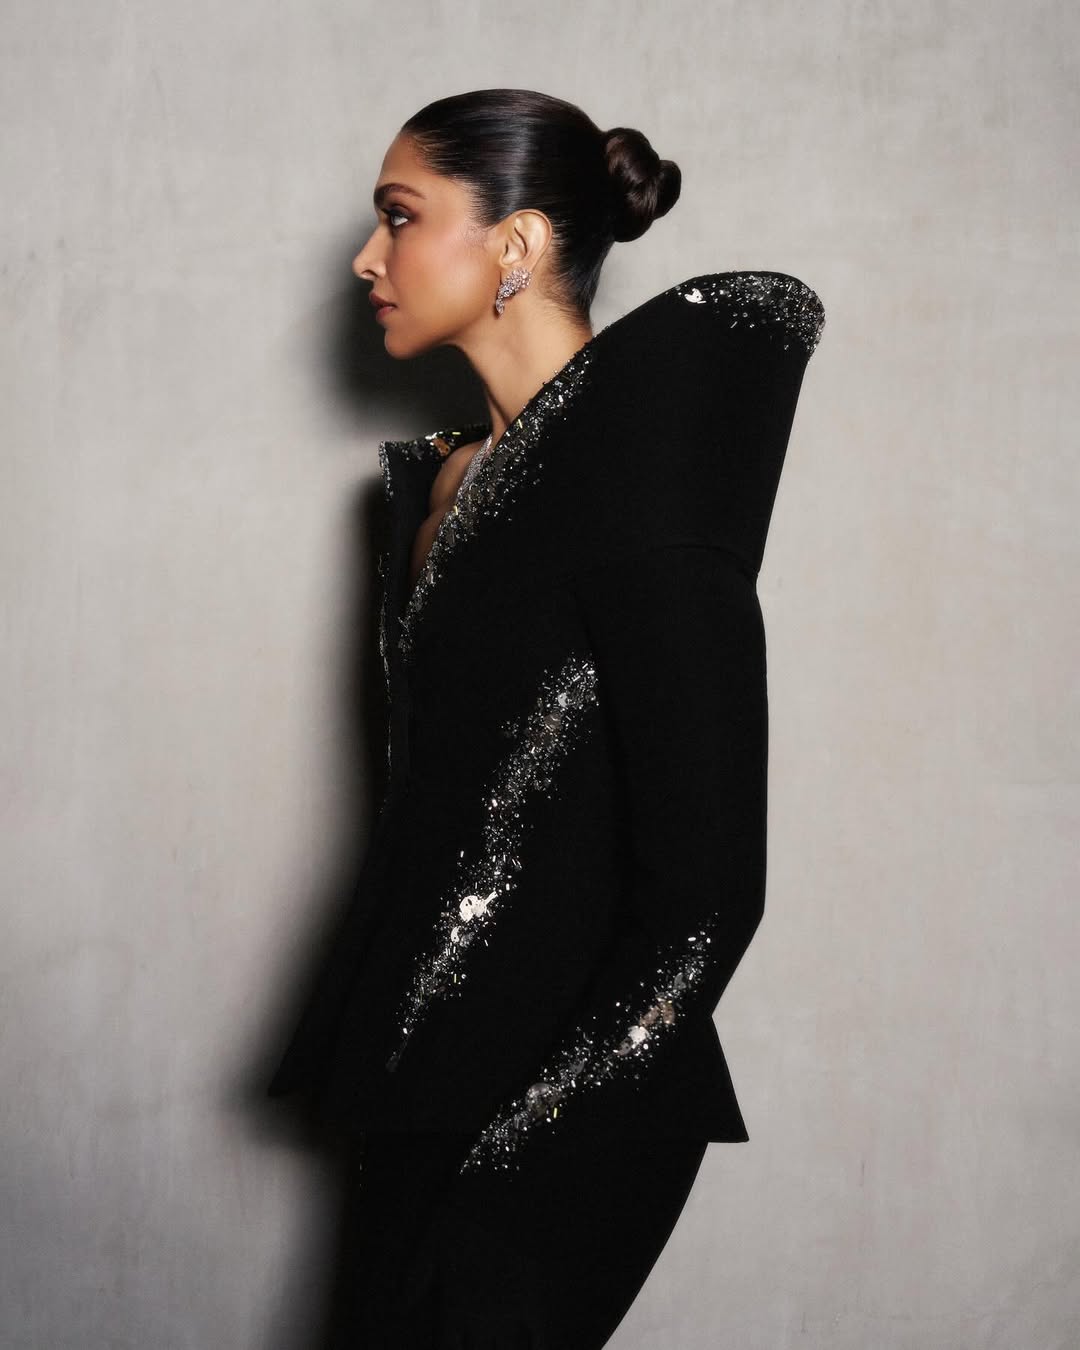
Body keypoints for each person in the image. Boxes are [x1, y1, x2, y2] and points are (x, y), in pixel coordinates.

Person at [266, 87, 826, 1349]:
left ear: (514, 244)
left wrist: (535, 1137)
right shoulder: (438, 488)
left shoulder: (645, 471)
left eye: (400, 216)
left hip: (574, 1102)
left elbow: (709, 888)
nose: (366, 258)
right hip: (416, 1068)